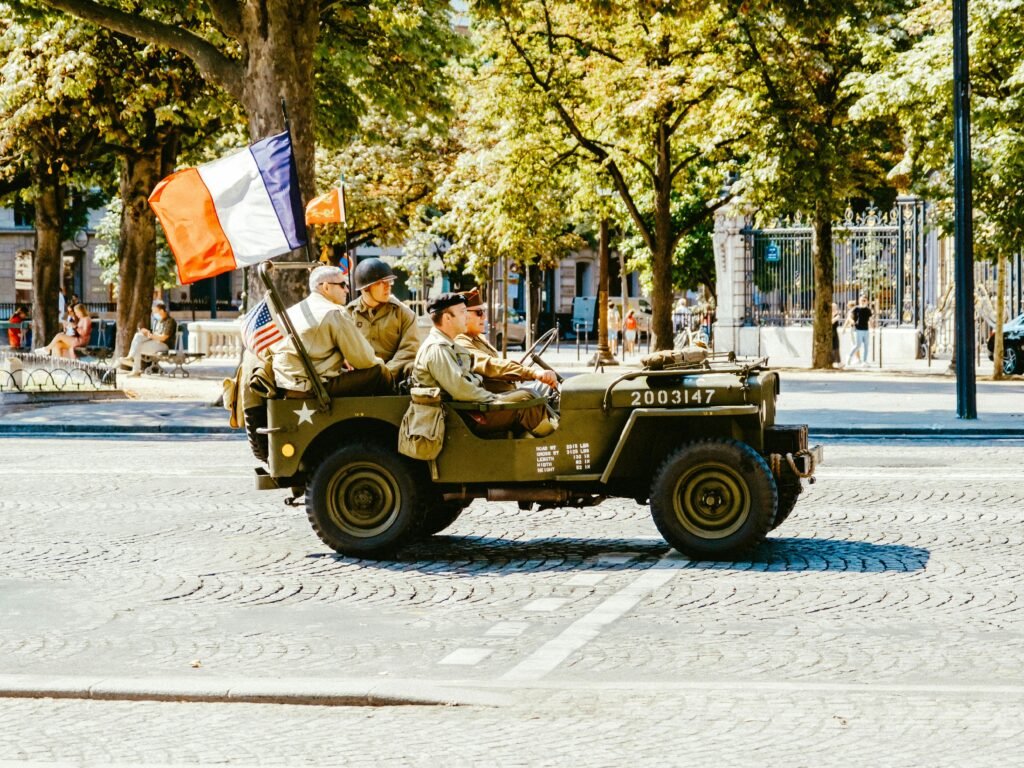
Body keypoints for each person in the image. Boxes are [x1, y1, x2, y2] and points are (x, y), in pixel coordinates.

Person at [413, 292, 555, 437]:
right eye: (463, 312)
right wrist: (495, 399)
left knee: (530, 397)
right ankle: (552, 442)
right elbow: (461, 389)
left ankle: (538, 441)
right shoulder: (438, 348)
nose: (467, 316)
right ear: (448, 318)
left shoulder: (451, 345)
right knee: (527, 399)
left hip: (467, 410)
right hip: (461, 417)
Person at [273, 265, 394, 398]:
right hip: (313, 388)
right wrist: (383, 365)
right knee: (379, 372)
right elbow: (364, 360)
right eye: (342, 285)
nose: (347, 290)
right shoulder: (334, 312)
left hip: (287, 386)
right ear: (326, 287)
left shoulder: (290, 312)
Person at [454, 288, 559, 394]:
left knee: (551, 388)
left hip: (504, 396)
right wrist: (532, 372)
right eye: (479, 312)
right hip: (496, 402)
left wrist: (518, 369)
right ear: (463, 315)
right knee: (543, 394)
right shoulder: (461, 342)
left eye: (484, 312)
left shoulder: (477, 337)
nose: (484, 317)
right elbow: (490, 364)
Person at [347, 257, 419, 381]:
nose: (388, 287)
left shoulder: (403, 313)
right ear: (365, 288)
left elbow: (409, 351)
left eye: (389, 282)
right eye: (381, 283)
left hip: (394, 377)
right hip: (358, 377)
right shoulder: (347, 314)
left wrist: (385, 374)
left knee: (415, 368)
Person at [119, 300, 178, 376]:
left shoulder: (170, 321)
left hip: (164, 345)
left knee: (137, 346)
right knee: (138, 336)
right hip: (155, 342)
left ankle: (133, 362)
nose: (154, 314)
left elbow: (163, 338)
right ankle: (132, 360)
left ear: (162, 310)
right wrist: (147, 333)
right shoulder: (157, 321)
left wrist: (151, 335)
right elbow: (154, 334)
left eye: (155, 312)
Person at [845, 295, 873, 368]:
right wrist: (852, 321)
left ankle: (864, 361)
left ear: (867, 301)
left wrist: (872, 329)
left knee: (866, 346)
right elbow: (849, 317)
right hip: (858, 329)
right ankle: (849, 357)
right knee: (858, 345)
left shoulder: (868, 310)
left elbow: (870, 320)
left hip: (866, 329)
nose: (863, 301)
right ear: (859, 300)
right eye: (862, 300)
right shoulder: (856, 308)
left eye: (864, 300)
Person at [830, 302, 841, 366]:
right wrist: (835, 318)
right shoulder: (831, 315)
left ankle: (838, 362)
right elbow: (830, 322)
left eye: (836, 307)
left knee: (836, 346)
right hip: (830, 332)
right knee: (833, 347)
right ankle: (834, 362)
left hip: (835, 332)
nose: (836, 308)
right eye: (834, 307)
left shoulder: (836, 315)